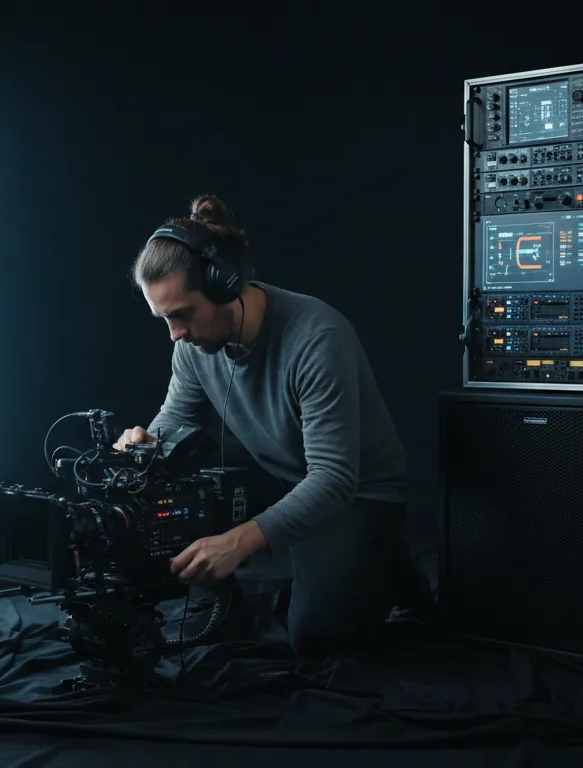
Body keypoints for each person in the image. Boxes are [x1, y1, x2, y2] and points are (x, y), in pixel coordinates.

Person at [113, 194, 432, 659]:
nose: (174, 333)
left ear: (225, 286)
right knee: (183, 474)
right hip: (280, 478)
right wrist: (147, 442)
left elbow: (334, 479)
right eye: (163, 318)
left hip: (355, 495)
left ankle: (386, 565)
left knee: (317, 641)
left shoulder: (318, 340)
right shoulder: (190, 345)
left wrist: (240, 542)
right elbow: (177, 419)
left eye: (181, 314)